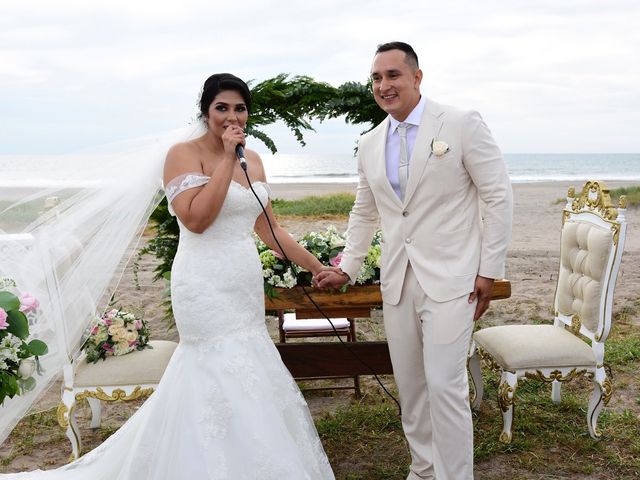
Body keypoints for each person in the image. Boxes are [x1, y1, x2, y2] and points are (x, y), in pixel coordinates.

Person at [3, 73, 335, 479]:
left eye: (240, 108)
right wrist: (228, 158)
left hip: (241, 282)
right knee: (214, 366)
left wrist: (316, 266)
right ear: (206, 112)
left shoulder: (256, 160)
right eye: (222, 108)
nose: (232, 116)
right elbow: (196, 220)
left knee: (250, 360)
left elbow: (269, 229)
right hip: (203, 284)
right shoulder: (183, 154)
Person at [315, 42, 513, 479]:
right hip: (398, 280)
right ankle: (423, 469)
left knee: (445, 385)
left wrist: (488, 270)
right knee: (412, 386)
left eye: (392, 75)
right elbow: (365, 211)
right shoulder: (368, 143)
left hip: (453, 278)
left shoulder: (460, 124)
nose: (383, 85)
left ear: (417, 77)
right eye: (376, 78)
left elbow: (498, 195)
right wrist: (348, 265)